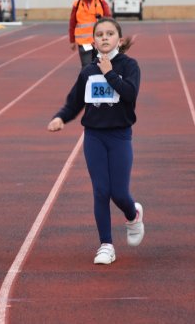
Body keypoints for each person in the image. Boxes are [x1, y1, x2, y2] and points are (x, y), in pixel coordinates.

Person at [48, 17, 144, 265]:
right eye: (99, 34)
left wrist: (110, 74)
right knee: (101, 191)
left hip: (120, 136)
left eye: (109, 33)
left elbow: (130, 94)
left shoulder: (129, 66)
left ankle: (133, 214)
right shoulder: (88, 71)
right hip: (94, 137)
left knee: (119, 193)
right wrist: (61, 117)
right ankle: (106, 245)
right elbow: (75, 102)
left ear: (119, 40)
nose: (104, 37)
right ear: (93, 40)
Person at [69, 0, 111, 68]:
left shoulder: (100, 1)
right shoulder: (77, 4)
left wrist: (102, 18)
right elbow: (72, 23)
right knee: (87, 67)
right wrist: (72, 40)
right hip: (84, 42)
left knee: (100, 66)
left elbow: (109, 18)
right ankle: (85, 82)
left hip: (99, 41)